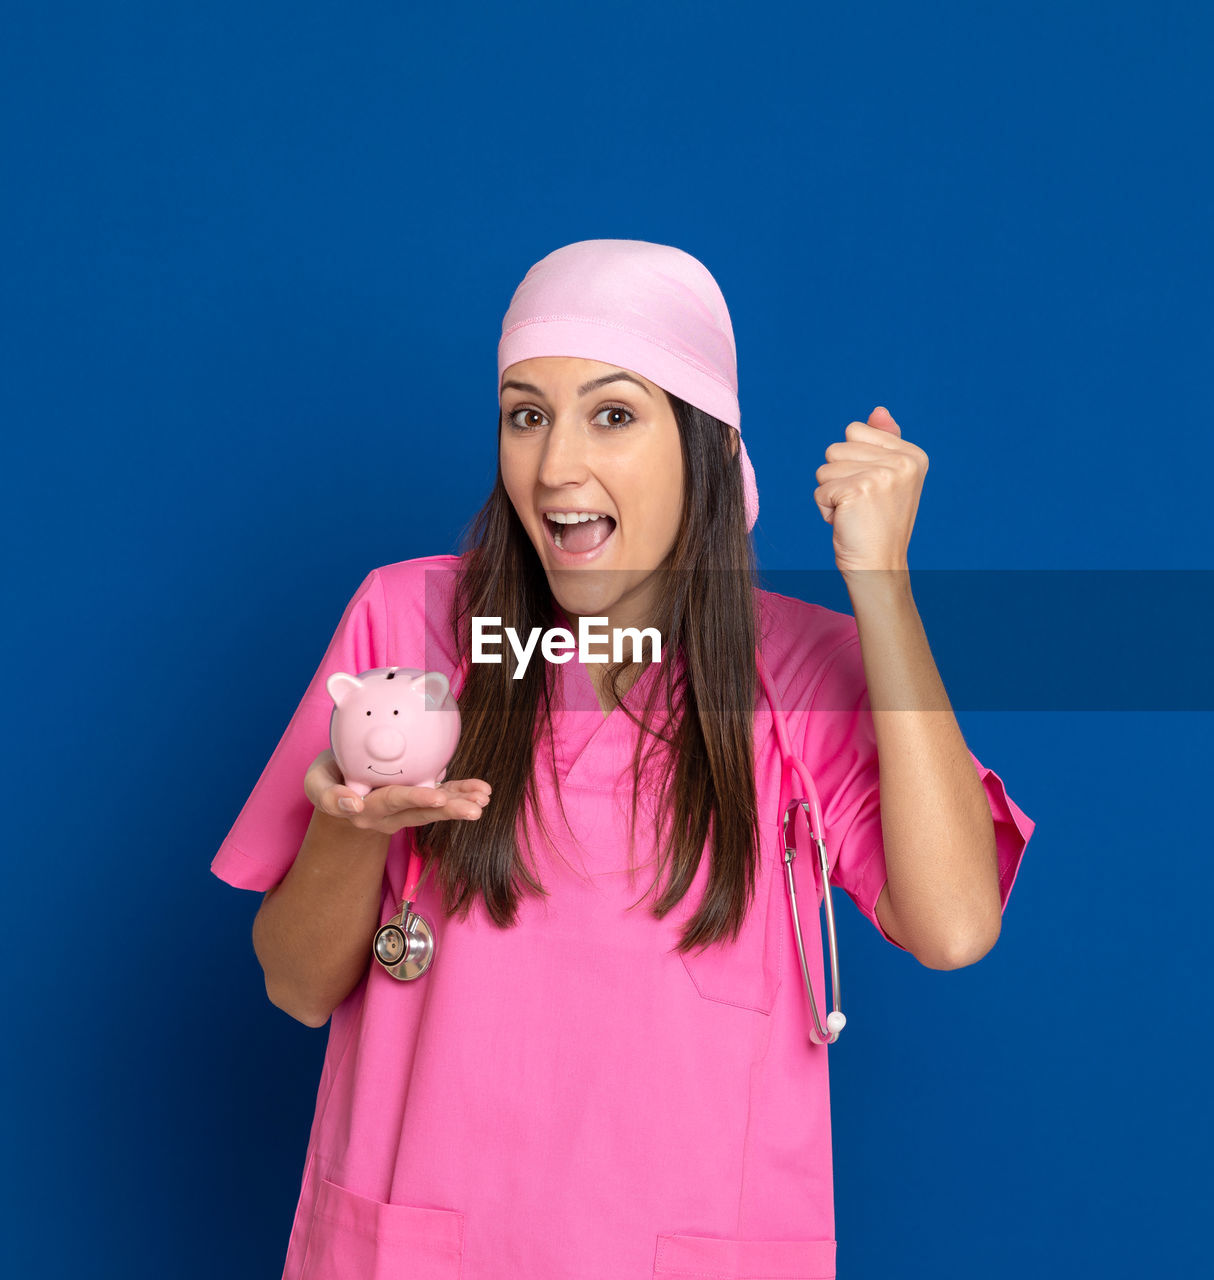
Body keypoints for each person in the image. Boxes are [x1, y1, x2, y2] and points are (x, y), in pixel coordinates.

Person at [211, 238, 1035, 1280]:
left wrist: (880, 585)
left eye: (611, 413)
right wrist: (346, 825)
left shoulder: (796, 669)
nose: (555, 465)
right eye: (525, 413)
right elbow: (293, 982)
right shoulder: (408, 626)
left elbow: (955, 923)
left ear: (701, 443)